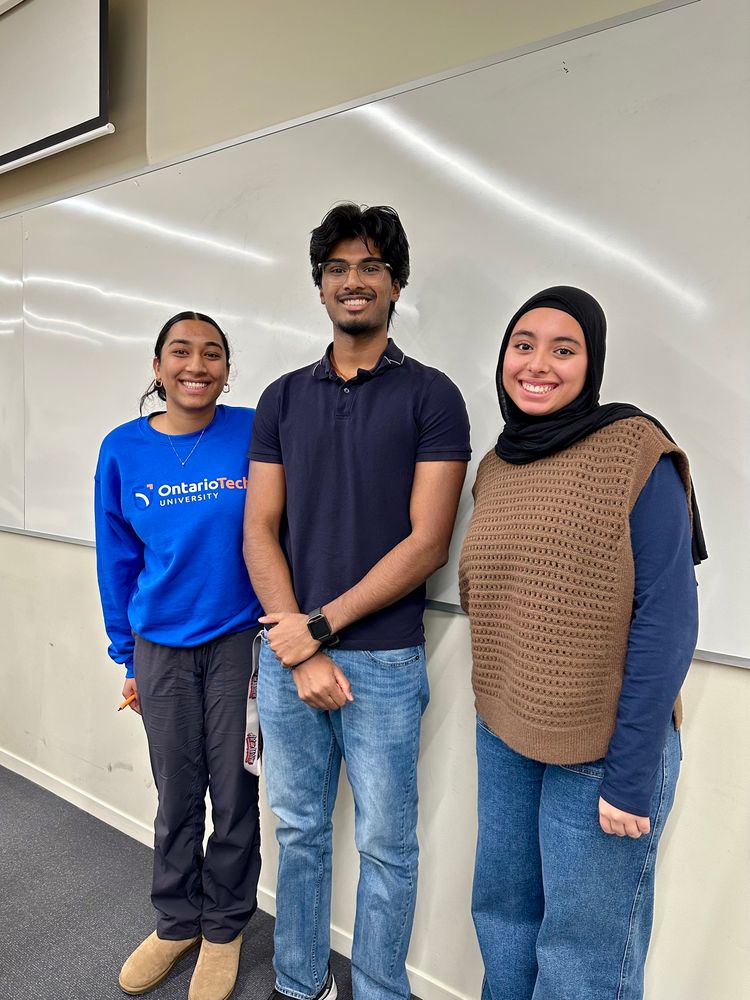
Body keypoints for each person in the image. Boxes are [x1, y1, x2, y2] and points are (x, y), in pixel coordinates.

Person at [244, 203, 471, 1000]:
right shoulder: (279, 398)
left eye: (370, 266)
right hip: (284, 657)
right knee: (300, 833)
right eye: (337, 268)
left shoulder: (433, 396)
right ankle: (298, 982)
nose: (353, 281)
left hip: (381, 662)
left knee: (386, 846)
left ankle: (379, 990)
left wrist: (317, 630)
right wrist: (297, 645)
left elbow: (425, 543)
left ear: (395, 283)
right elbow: (259, 531)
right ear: (319, 287)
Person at [459, 286, 705, 1000]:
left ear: (590, 362)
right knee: (502, 918)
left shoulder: (636, 448)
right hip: (505, 732)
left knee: (581, 959)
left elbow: (666, 618)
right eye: (523, 344)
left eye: (563, 349)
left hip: (604, 752)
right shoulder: (496, 466)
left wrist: (632, 775)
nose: (539, 363)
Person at [94, 311, 263, 1000]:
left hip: (238, 645)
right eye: (182, 352)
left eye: (213, 353)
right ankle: (176, 922)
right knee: (176, 794)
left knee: (235, 791)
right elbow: (118, 558)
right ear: (158, 365)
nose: (198, 364)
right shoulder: (121, 449)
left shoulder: (255, 431)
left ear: (227, 367)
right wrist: (126, 657)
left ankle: (224, 927)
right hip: (158, 648)